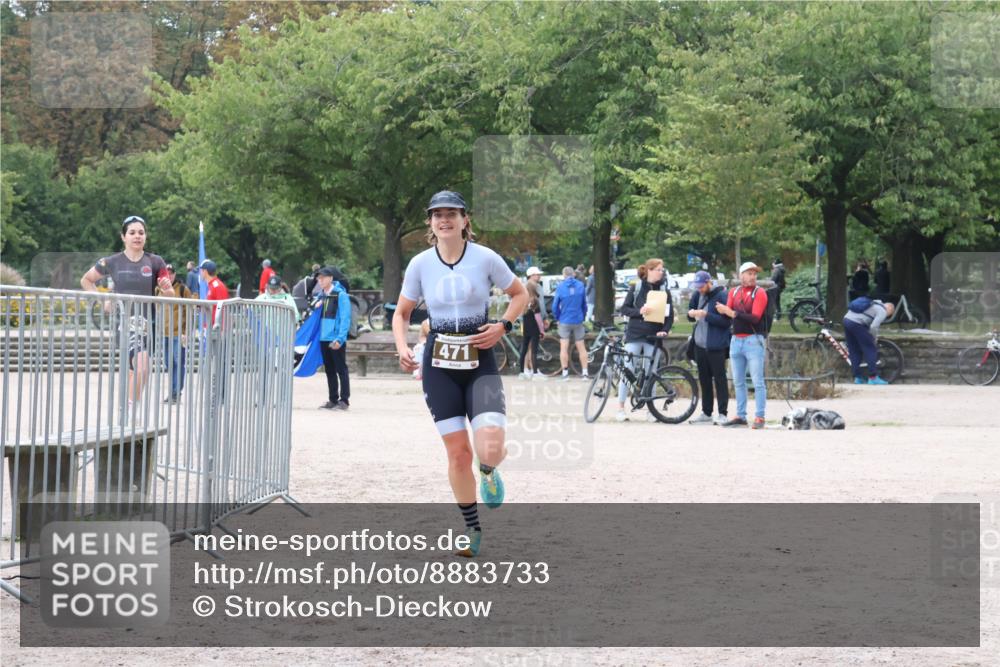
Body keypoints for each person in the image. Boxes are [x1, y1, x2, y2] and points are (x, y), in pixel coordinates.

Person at [393, 190, 527, 558]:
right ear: (431, 223)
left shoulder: (485, 258)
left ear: (465, 219)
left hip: (480, 360)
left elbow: (520, 295)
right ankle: (471, 529)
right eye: (437, 215)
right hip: (439, 365)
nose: (444, 220)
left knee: (490, 447)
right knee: (457, 453)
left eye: (452, 213)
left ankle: (488, 471)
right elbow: (402, 313)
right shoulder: (420, 264)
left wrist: (503, 326)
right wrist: (402, 346)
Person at [80, 215, 174, 406]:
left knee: (135, 370)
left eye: (141, 232)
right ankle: (130, 415)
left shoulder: (155, 262)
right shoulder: (111, 262)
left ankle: (126, 414)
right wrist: (103, 298)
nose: (137, 236)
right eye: (132, 232)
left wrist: (167, 289)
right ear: (123, 237)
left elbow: (170, 296)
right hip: (123, 323)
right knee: (142, 368)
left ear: (146, 236)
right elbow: (86, 280)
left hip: (148, 324)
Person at [615, 258, 674, 422]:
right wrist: (640, 311)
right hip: (634, 334)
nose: (661, 272)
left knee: (652, 373)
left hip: (653, 336)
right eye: (659, 270)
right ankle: (620, 407)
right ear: (649, 270)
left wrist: (664, 330)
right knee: (628, 370)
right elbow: (625, 309)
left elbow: (669, 316)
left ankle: (651, 409)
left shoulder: (664, 290)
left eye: (662, 270)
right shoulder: (637, 287)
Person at [715, 261, 768, 429]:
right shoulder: (734, 292)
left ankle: (759, 416)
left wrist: (732, 313)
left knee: (757, 381)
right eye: (749, 273)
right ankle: (741, 415)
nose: (753, 277)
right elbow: (727, 315)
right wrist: (716, 312)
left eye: (755, 274)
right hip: (736, 340)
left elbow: (755, 317)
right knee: (738, 381)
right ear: (741, 275)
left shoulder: (760, 293)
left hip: (753, 339)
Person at [686, 271, 732, 425]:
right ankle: (706, 412)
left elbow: (726, 322)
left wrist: (706, 315)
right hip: (699, 344)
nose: (699, 289)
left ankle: (723, 413)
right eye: (697, 286)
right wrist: (691, 313)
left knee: (720, 379)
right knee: (704, 379)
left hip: (716, 344)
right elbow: (689, 313)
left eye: (701, 286)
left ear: (709, 282)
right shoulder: (697, 295)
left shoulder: (721, 295)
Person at [155, 264, 195, 403]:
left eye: (171, 273)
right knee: (168, 363)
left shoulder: (183, 289)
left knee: (179, 362)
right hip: (164, 333)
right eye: (167, 273)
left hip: (179, 333)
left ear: (175, 274)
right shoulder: (157, 289)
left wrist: (187, 332)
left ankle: (176, 392)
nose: (169, 276)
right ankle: (172, 391)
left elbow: (190, 311)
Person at [314, 266, 352, 410]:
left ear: (331, 278)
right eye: (319, 278)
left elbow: (345, 318)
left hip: (335, 338)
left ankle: (344, 400)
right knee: (329, 370)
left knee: (341, 369)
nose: (320, 280)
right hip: (323, 338)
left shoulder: (340, 295)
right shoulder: (321, 295)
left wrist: (340, 338)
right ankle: (333, 399)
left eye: (323, 277)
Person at [843, 298, 895, 385]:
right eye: (889, 314)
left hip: (846, 320)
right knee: (870, 348)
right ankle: (873, 377)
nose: (887, 316)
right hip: (856, 323)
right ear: (890, 309)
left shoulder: (874, 303)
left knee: (854, 350)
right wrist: (873, 338)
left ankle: (857, 377)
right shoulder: (882, 311)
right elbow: (874, 326)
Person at [553, 265, 589, 380]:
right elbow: (584, 304)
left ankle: (565, 374)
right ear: (573, 274)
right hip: (578, 319)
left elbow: (555, 306)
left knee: (564, 347)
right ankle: (585, 373)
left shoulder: (560, 287)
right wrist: (582, 316)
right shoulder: (581, 285)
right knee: (581, 347)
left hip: (565, 319)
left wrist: (558, 317)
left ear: (564, 275)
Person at [519, 266, 548, 380]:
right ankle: (535, 372)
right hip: (535, 326)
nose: (539, 276)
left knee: (524, 348)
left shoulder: (523, 293)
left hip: (526, 325)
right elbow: (539, 314)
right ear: (531, 275)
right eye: (537, 274)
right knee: (534, 350)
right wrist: (542, 329)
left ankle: (522, 371)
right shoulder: (535, 297)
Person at [198, 259, 229, 326]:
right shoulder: (212, 285)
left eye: (201, 270)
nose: (200, 273)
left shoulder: (217, 286)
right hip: (212, 326)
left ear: (205, 271)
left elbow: (221, 309)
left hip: (216, 329)